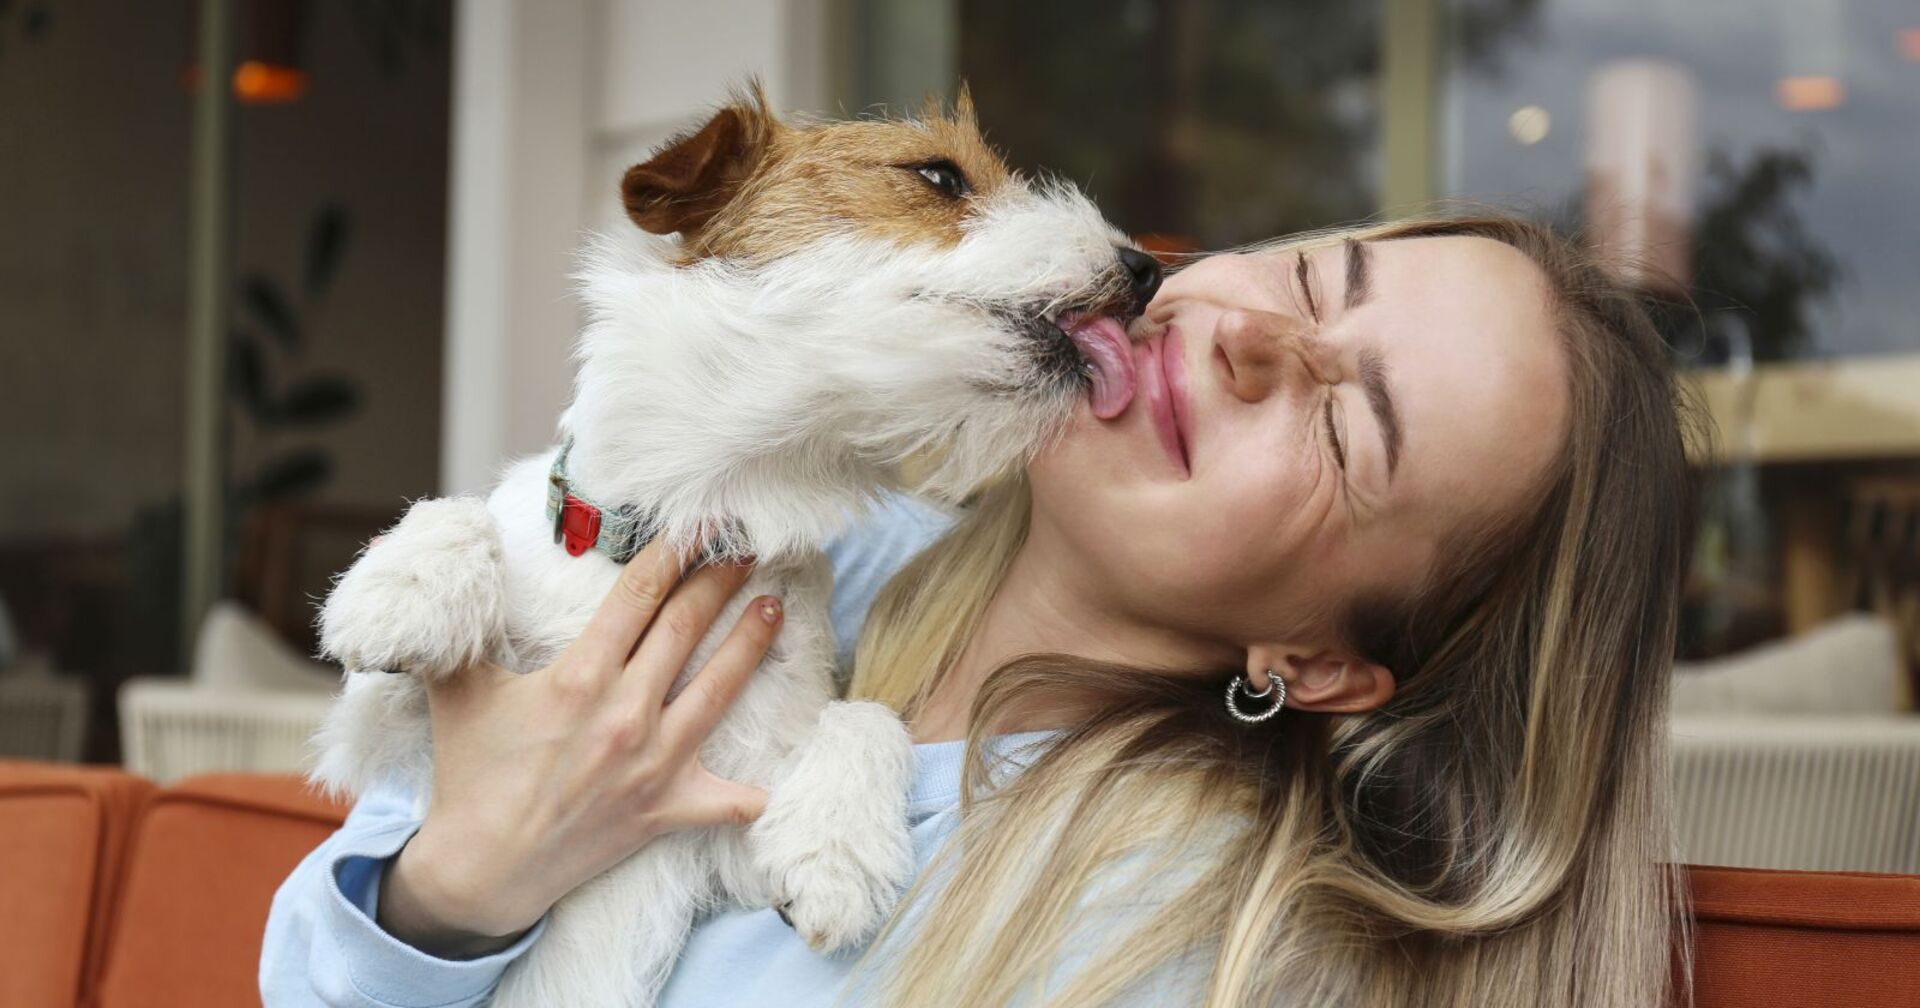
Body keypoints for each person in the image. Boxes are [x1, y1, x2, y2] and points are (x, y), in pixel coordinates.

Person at [262, 213, 1697, 1008]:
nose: (1255, 334)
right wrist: (461, 885)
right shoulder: (806, 536)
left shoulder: (1165, 942)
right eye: (1320, 272)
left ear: (1318, 665)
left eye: (1346, 433)